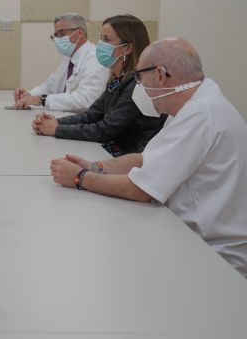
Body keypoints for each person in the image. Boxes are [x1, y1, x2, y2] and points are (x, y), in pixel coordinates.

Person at [50, 37, 247, 278]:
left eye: (140, 77)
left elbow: (143, 189)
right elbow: (147, 159)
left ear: (161, 75)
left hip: (214, 256)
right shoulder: (194, 101)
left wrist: (81, 178)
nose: (139, 85)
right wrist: (96, 166)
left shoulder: (200, 115)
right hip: (190, 236)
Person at [33, 15, 166, 156]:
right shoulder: (117, 79)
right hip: (110, 150)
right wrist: (57, 122)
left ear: (127, 48)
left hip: (128, 159)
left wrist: (56, 130)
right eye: (101, 38)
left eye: (106, 40)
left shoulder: (137, 84)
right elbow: (92, 115)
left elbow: (104, 130)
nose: (100, 44)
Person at [13, 12, 108, 112]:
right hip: (68, 118)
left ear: (79, 33)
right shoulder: (69, 59)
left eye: (61, 33)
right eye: (56, 35)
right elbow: (50, 86)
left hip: (86, 123)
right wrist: (30, 95)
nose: (58, 39)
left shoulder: (95, 59)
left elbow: (85, 100)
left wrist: (43, 100)